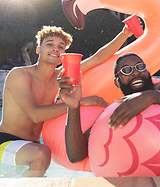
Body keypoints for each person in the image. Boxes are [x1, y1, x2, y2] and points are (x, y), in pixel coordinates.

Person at [0, 24, 133, 177]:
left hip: (32, 144)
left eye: (61, 46)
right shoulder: (20, 75)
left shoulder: (62, 75)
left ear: (64, 54)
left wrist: (124, 34)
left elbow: (97, 58)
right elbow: (34, 114)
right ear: (38, 49)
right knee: (41, 154)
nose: (55, 49)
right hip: (5, 141)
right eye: (49, 44)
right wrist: (80, 101)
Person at [58, 52, 160, 163]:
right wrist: (73, 107)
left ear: (147, 72)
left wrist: (150, 97)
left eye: (140, 67)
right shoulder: (117, 110)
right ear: (117, 82)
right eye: (126, 70)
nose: (135, 72)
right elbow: (77, 155)